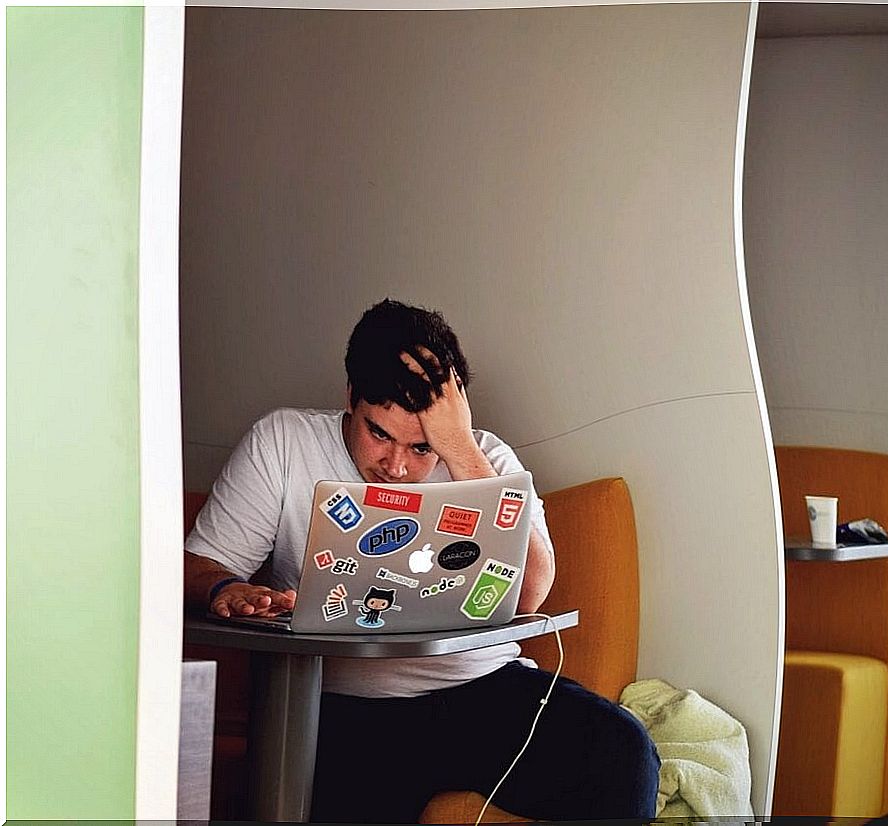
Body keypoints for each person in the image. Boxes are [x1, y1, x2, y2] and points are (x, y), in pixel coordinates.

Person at [183, 298, 660, 822]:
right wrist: (227, 590)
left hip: (481, 691)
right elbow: (198, 565)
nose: (396, 466)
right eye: (379, 433)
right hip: (344, 706)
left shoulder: (485, 459)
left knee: (623, 750)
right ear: (350, 396)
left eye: (421, 447)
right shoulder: (283, 443)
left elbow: (530, 592)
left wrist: (458, 448)